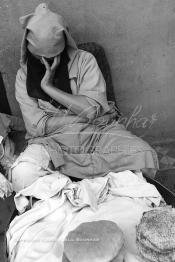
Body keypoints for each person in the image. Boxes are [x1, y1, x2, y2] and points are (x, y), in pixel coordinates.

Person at [11, 3, 159, 192]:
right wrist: (80, 117)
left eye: (52, 57)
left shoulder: (85, 61)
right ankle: (83, 193)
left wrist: (49, 87)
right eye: (39, 58)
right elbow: (37, 126)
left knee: (144, 155)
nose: (45, 64)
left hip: (98, 135)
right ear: (28, 48)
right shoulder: (23, 77)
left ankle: (82, 192)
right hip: (52, 143)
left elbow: (91, 111)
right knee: (22, 175)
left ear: (63, 47)